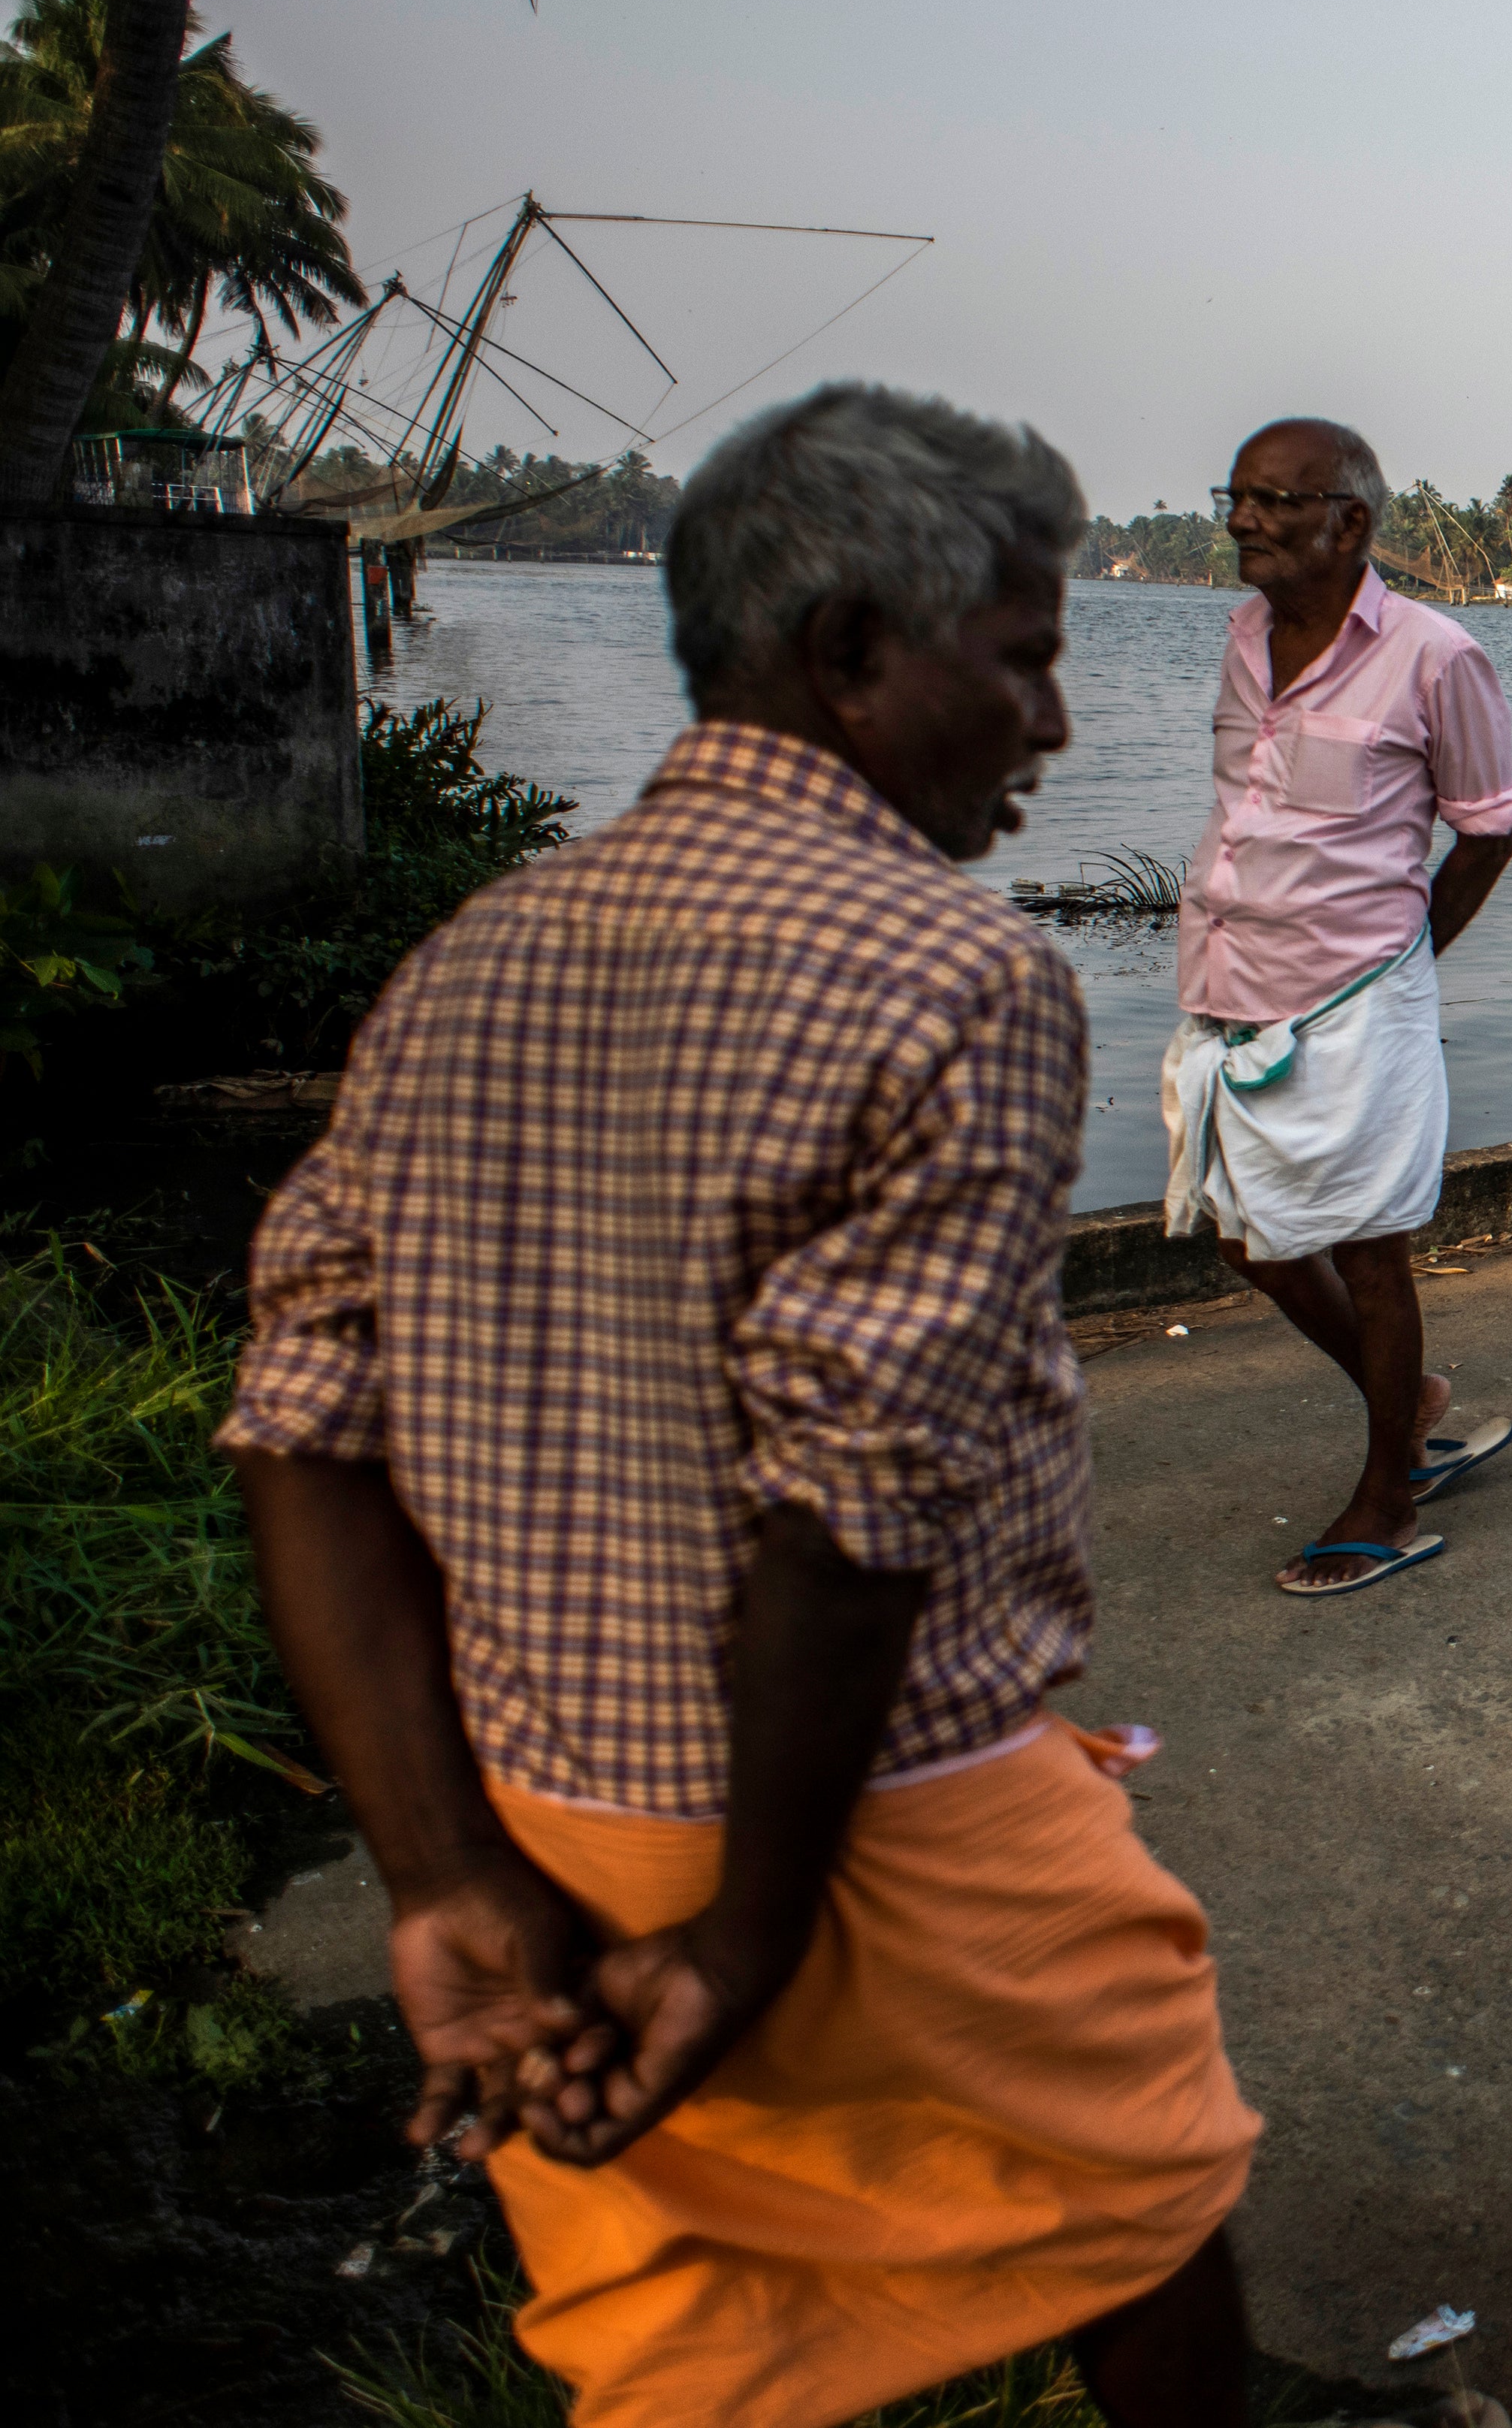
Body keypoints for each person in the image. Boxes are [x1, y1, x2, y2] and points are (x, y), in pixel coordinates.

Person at [222, 385, 1263, 2428]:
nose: (1054, 722)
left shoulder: (469, 960)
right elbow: (851, 1507)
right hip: (884, 1814)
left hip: (545, 1806)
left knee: (680, 2329)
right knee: (1142, 2209)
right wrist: (749, 1933)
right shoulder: (954, 978)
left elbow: (303, 1430)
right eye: (1029, 655)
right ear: (858, 649)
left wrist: (441, 1871)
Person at [1163, 418, 1512, 1596]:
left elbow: (1487, 830)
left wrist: (1404, 954)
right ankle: (1408, 1402)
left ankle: (1390, 1490)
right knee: (1244, 1229)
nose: (1243, 520)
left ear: (1349, 522)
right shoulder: (1243, 635)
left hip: (1356, 998)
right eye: (1239, 496)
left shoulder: (1435, 655)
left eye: (1274, 501)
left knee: (1372, 1250)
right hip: (1227, 986)